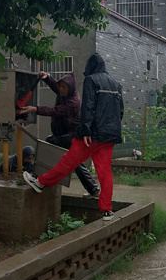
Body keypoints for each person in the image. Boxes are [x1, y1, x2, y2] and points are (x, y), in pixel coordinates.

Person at [23, 53, 123, 221]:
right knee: (105, 172)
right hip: (109, 136)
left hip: (90, 136)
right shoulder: (116, 84)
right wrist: (111, 131)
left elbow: (88, 107)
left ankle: (40, 182)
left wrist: (85, 131)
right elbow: (119, 111)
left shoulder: (91, 80)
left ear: (90, 67)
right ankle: (107, 210)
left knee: (68, 162)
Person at [18, 72, 100, 198]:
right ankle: (93, 189)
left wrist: (35, 109)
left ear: (70, 88)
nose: (60, 89)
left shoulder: (73, 102)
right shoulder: (65, 92)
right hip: (65, 134)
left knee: (50, 143)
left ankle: (40, 178)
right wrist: (48, 78)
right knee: (75, 161)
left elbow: (54, 111)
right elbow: (55, 86)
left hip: (71, 135)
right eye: (60, 86)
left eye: (64, 87)